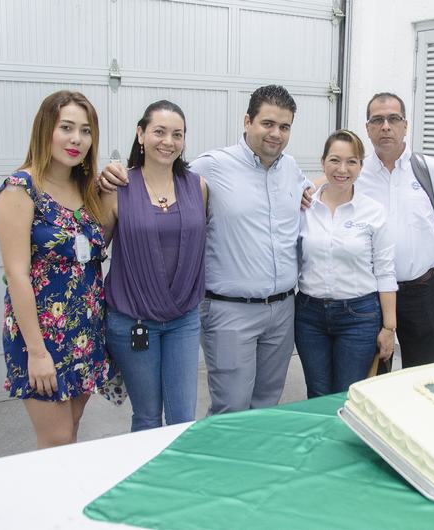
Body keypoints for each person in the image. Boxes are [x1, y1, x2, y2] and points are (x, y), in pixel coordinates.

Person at [100, 85, 311, 414]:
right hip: (230, 311)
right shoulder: (210, 167)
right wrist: (114, 175)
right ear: (247, 121)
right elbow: (158, 176)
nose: (276, 134)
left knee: (268, 406)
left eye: (284, 127)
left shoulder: (292, 170)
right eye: (268, 123)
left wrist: (316, 194)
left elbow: (313, 197)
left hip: (283, 311)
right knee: (232, 408)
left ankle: (252, 466)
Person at [0, 90, 110, 448]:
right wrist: (38, 353)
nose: (77, 139)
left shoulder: (87, 188)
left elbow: (99, 244)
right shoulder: (21, 189)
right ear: (46, 130)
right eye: (67, 128)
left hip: (86, 328)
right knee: (56, 438)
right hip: (42, 335)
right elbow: (16, 275)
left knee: (71, 430)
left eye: (86, 131)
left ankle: (65, 502)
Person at [101, 100, 206, 431]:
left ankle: (177, 481)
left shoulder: (197, 187)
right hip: (133, 321)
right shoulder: (117, 189)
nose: (168, 141)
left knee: (182, 416)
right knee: (146, 415)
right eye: (159, 132)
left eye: (177, 134)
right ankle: (146, 481)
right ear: (141, 134)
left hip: (184, 319)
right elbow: (95, 248)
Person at [357, 92, 434, 370]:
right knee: (374, 375)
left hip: (422, 291)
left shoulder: (429, 170)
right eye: (377, 120)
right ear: (367, 128)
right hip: (373, 295)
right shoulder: (357, 174)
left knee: (423, 375)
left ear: (405, 125)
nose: (386, 126)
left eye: (394, 119)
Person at [295, 129, 397, 397]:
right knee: (317, 394)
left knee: (347, 394)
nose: (343, 169)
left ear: (361, 166)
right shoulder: (304, 207)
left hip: (359, 316)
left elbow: (385, 271)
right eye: (334, 160)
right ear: (323, 162)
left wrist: (389, 328)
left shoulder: (373, 212)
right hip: (309, 315)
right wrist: (310, 187)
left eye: (352, 161)